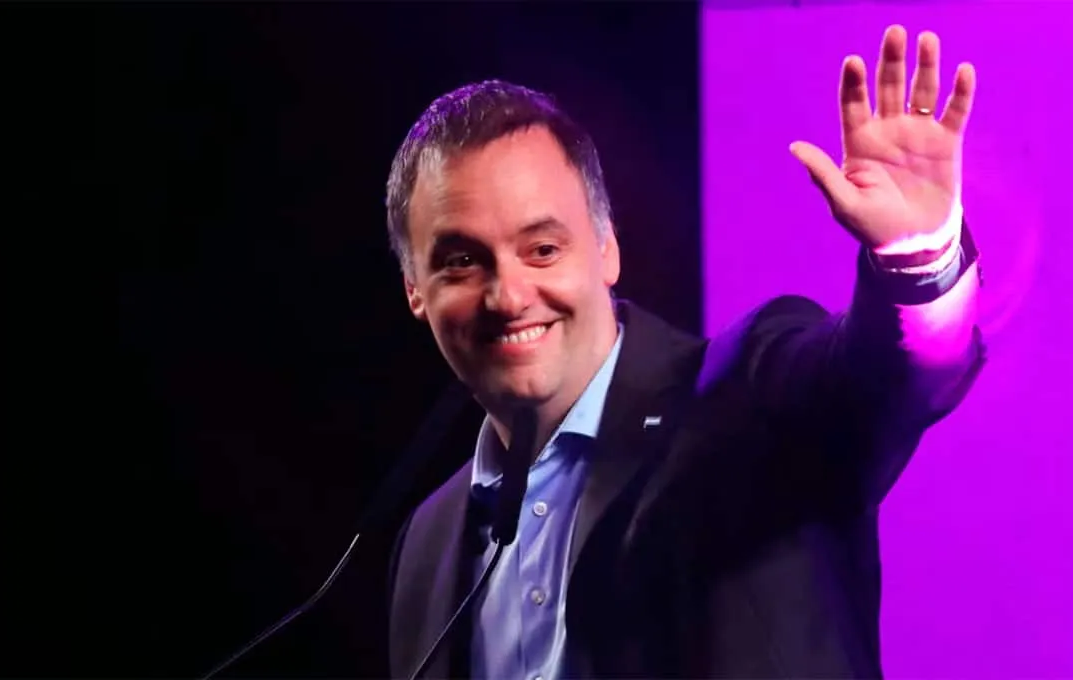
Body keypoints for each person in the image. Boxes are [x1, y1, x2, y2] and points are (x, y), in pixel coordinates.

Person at [382, 24, 985, 679]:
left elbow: (896, 378)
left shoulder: (747, 401)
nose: (508, 295)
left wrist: (918, 261)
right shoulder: (425, 547)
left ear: (607, 248)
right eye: (463, 262)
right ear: (415, 288)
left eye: (543, 249)